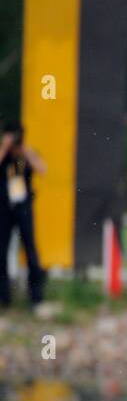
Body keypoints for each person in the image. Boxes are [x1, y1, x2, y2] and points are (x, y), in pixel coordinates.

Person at [0, 124, 47, 309]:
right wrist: (5, 147)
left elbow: (42, 169)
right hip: (3, 207)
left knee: (30, 249)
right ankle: (3, 297)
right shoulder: (4, 154)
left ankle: (35, 296)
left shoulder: (26, 153)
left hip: (23, 207)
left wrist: (25, 151)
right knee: (1, 251)